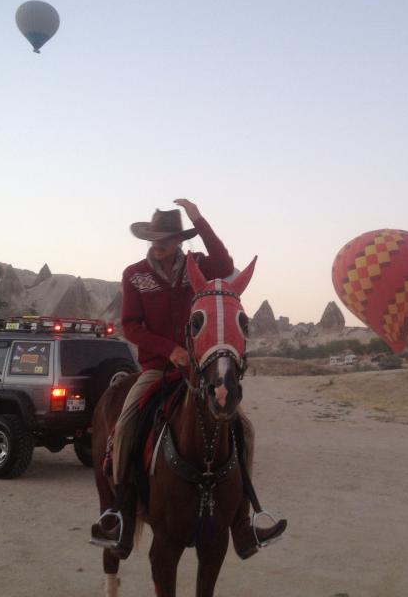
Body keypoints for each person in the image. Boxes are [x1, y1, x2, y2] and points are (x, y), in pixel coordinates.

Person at [91, 198, 286, 559]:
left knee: (243, 429)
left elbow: (226, 266)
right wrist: (169, 350)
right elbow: (130, 326)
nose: (158, 242)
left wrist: (199, 218)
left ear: (180, 239)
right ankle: (120, 512)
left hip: (199, 369)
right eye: (154, 236)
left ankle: (242, 523)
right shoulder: (135, 274)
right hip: (156, 367)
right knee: (127, 423)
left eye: (166, 237)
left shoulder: (197, 266)